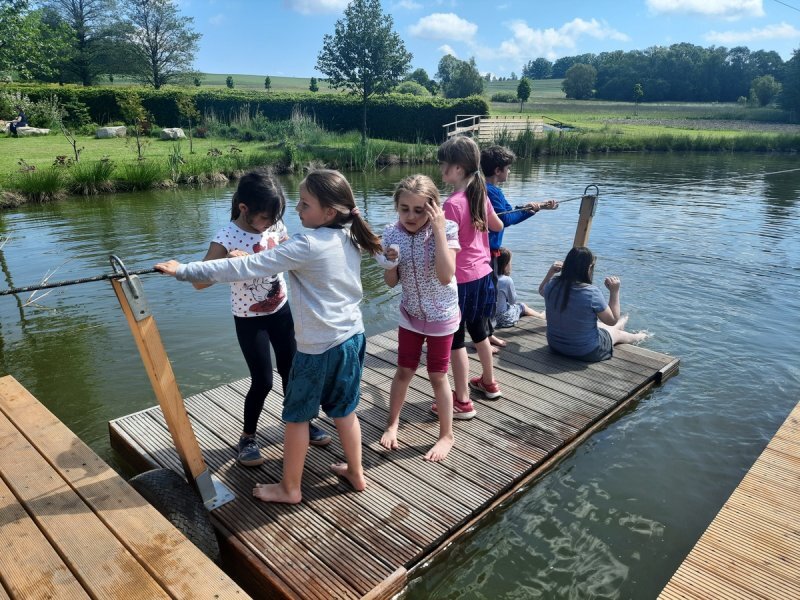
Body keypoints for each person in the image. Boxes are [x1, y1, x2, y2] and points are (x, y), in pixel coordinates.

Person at [155, 169, 383, 504]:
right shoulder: (350, 234)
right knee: (342, 409)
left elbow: (250, 267)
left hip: (316, 344)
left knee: (295, 418)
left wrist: (182, 269)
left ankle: (290, 488)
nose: (297, 210)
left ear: (329, 212)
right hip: (351, 337)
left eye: (304, 204)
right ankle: (355, 472)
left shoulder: (304, 241)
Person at [189, 169, 330, 468]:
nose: (270, 223)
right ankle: (248, 437)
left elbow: (290, 252)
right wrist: (226, 262)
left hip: (281, 311)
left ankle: (300, 422)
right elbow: (198, 282)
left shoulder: (275, 224)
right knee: (263, 380)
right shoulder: (227, 236)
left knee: (292, 371)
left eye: (274, 217)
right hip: (249, 319)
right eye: (266, 217)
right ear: (244, 208)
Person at [377, 174, 461, 462]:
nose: (411, 216)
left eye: (419, 210)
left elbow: (446, 275)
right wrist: (390, 263)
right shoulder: (391, 232)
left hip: (441, 315)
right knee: (403, 370)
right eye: (404, 209)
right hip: (410, 314)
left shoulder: (448, 228)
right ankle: (392, 423)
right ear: (397, 207)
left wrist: (438, 230)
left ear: (434, 208)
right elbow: (391, 282)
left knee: (437, 375)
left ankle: (446, 435)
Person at [437, 135, 504, 415]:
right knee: (480, 332)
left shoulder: (451, 204)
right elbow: (497, 225)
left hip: (461, 281)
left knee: (456, 341)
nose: (440, 169)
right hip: (483, 275)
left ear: (459, 169)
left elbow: (444, 247)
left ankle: (463, 400)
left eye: (443, 164)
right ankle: (489, 382)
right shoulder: (480, 195)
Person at [480, 145, 557, 349]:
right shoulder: (491, 192)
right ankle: (484, 336)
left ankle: (487, 334)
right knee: (487, 295)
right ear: (498, 170)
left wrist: (535, 207)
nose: (509, 171)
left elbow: (509, 212)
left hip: (485, 253)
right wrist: (531, 211)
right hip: (486, 254)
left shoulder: (487, 189)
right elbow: (506, 219)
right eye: (507, 168)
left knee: (488, 293)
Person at [538, 246, 648, 362]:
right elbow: (612, 321)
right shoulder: (591, 293)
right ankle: (641, 336)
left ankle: (622, 323)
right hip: (586, 351)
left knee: (598, 325)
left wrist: (551, 272)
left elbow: (541, 291)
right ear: (589, 267)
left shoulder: (552, 284)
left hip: (555, 346)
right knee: (617, 333)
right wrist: (614, 291)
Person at [494, 247, 545, 328]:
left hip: (490, 319)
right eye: (510, 263)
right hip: (503, 320)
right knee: (522, 306)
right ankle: (540, 316)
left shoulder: (488, 278)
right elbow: (512, 301)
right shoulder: (507, 280)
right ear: (506, 265)